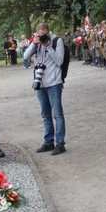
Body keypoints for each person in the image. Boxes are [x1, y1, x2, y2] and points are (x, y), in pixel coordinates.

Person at [22, 23, 67, 155]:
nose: (42, 36)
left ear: (48, 32)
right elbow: (25, 57)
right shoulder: (37, 43)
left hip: (54, 82)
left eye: (44, 34)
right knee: (45, 115)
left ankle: (60, 143)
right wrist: (34, 44)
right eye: (40, 34)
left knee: (57, 114)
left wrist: (47, 46)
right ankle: (48, 142)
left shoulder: (57, 41)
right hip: (40, 83)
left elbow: (59, 61)